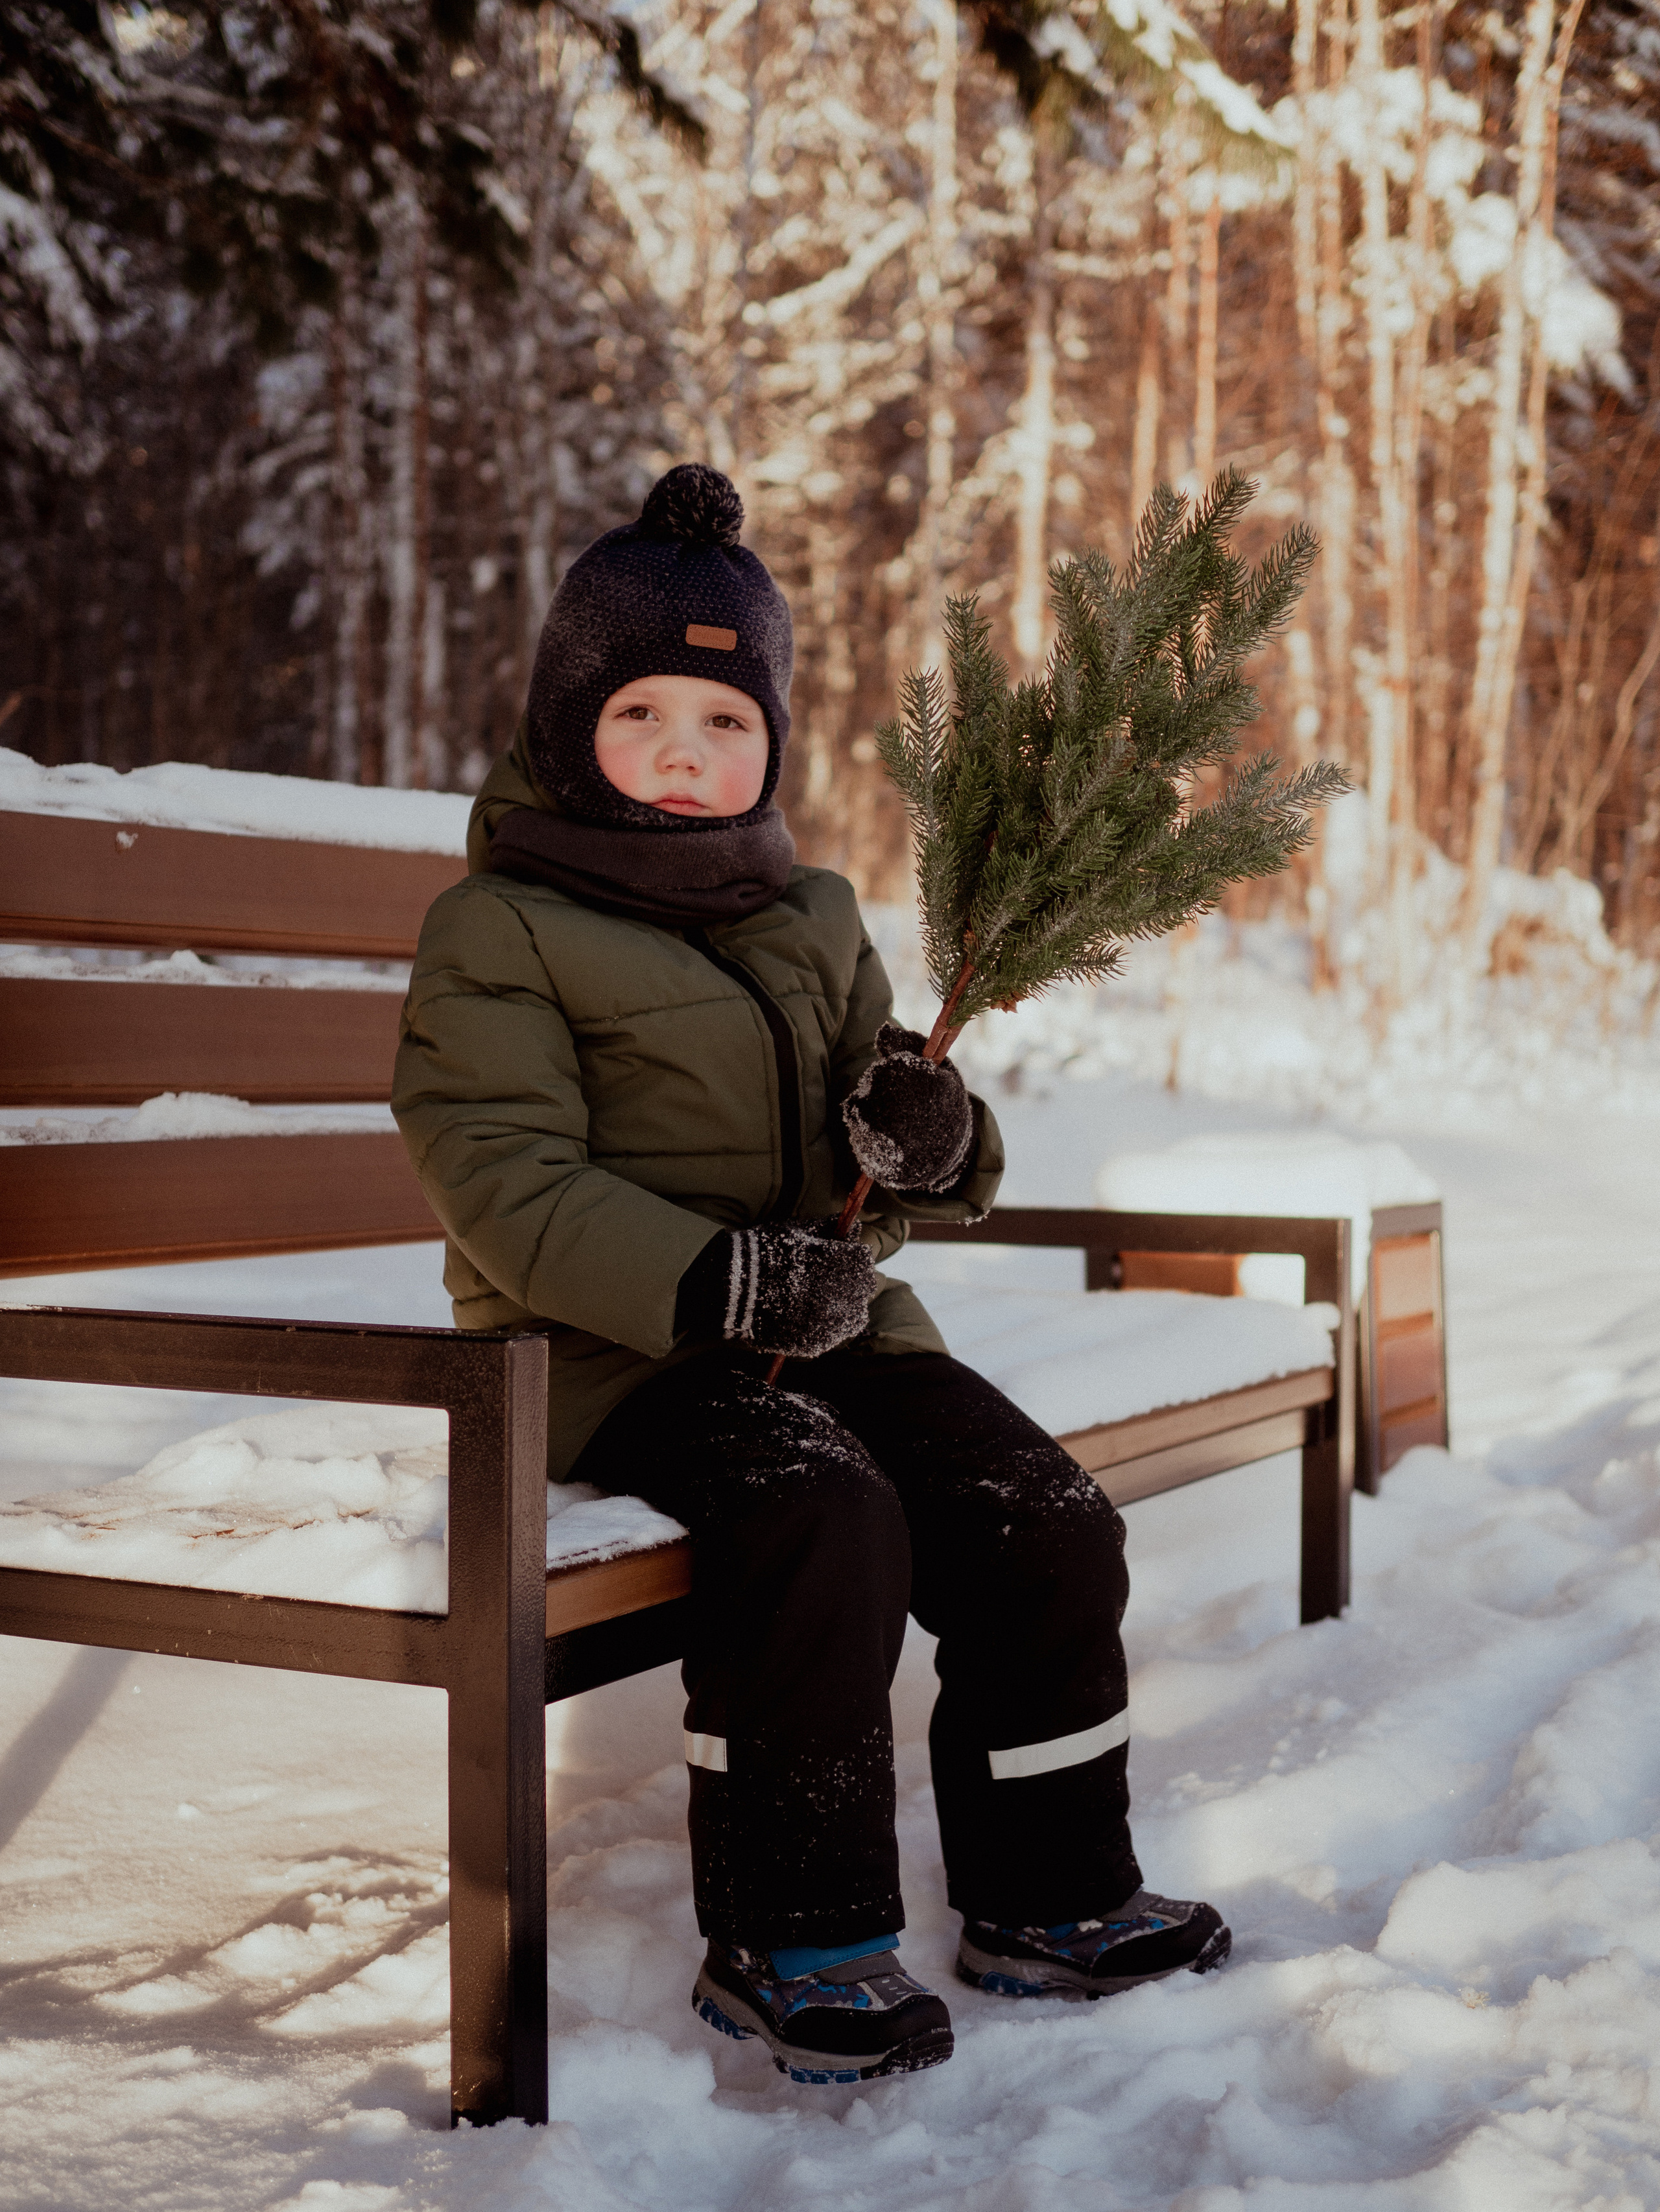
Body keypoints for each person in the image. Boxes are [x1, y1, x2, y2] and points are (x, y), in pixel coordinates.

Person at [392, 464, 1228, 2088]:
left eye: (725, 725)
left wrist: (929, 1138)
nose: (685, 757)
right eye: (643, 715)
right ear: (570, 725)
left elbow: (886, 1149)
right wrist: (713, 1285)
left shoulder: (809, 914)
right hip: (614, 1350)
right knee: (819, 1515)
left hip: (830, 1324)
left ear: (770, 743)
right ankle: (795, 1931)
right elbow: (500, 1173)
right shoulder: (498, 926)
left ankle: (1048, 1898)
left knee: (1042, 1522)